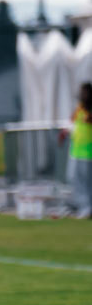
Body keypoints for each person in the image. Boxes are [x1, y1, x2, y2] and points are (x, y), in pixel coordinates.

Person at [72, 81, 92, 218]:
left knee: (87, 182)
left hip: (88, 151)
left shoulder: (89, 109)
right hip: (77, 150)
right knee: (77, 180)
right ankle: (83, 206)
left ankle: (88, 208)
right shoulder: (80, 108)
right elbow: (73, 120)